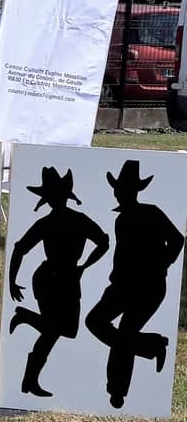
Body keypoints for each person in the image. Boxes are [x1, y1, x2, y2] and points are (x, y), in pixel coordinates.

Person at [84, 160, 184, 409]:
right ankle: (151, 346)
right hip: (120, 286)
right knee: (97, 323)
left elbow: (177, 239)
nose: (120, 193)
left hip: (148, 287)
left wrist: (161, 265)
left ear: (134, 191)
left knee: (124, 334)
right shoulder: (121, 219)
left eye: (125, 189)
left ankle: (117, 392)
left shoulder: (151, 212)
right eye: (119, 189)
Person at [6, 166, 108, 397]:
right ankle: (30, 380)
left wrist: (83, 267)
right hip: (51, 278)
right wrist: (11, 281)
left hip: (65, 277)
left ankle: (26, 318)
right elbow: (19, 248)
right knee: (55, 331)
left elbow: (103, 241)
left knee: (64, 330)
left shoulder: (66, 221)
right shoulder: (58, 222)